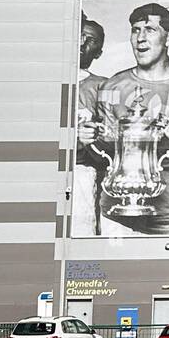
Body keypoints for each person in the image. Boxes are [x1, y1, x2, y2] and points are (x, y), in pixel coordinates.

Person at [81, 4, 169, 235]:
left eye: (150, 29)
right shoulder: (113, 85)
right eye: (135, 30)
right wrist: (88, 138)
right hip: (116, 214)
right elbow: (102, 152)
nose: (140, 38)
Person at [73, 15, 107, 236]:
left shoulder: (102, 86)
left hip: (81, 172)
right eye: (81, 35)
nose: (83, 42)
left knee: (80, 230)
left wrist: (89, 140)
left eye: (91, 39)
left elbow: (110, 140)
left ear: (98, 52)